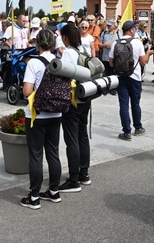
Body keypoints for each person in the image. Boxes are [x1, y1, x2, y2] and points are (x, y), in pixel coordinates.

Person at [20, 29, 62, 209]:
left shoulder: (34, 63)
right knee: (53, 152)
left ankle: (34, 196)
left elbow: (27, 91)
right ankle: (54, 191)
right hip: (57, 112)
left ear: (37, 44)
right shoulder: (60, 62)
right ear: (53, 44)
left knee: (36, 155)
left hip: (37, 114)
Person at [58, 24, 92, 193]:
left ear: (65, 38)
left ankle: (73, 180)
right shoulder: (85, 52)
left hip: (72, 100)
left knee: (71, 139)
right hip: (86, 97)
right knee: (82, 135)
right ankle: (84, 174)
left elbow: (62, 74)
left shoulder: (68, 53)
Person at [109, 20, 153, 140]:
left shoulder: (116, 42)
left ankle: (126, 132)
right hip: (135, 77)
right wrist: (148, 53)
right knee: (135, 103)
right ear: (132, 30)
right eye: (135, 29)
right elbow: (143, 62)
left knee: (123, 105)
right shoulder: (137, 43)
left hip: (121, 77)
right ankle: (138, 127)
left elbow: (111, 62)